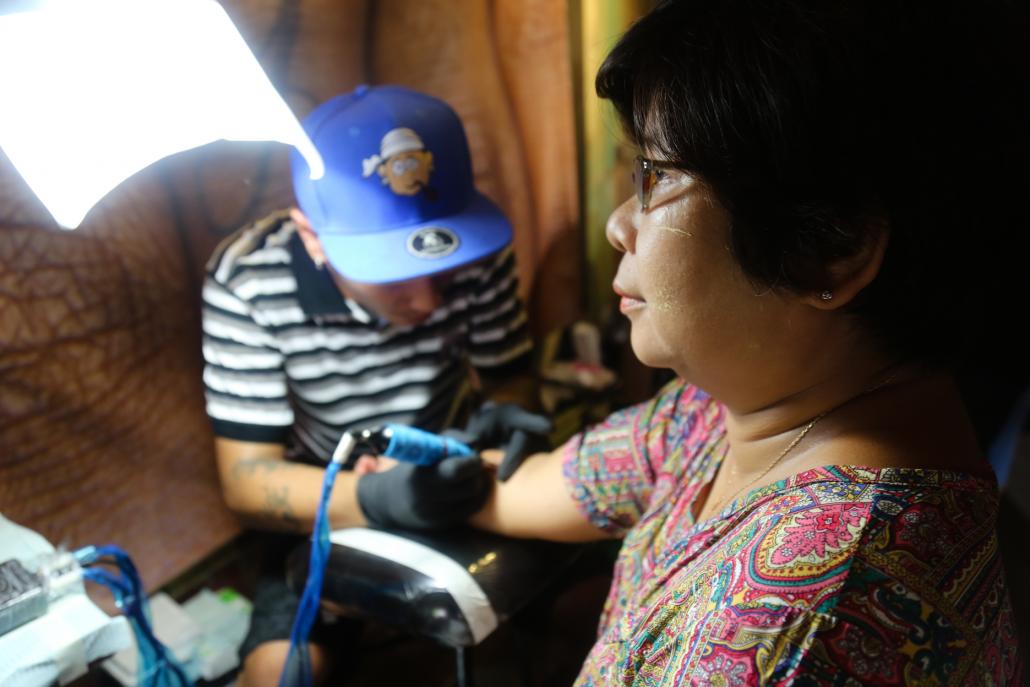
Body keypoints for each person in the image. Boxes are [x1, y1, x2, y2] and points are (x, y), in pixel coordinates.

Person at [463, 1, 1029, 683]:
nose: (619, 224)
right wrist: (366, 489)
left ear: (831, 247)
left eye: (655, 175)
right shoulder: (741, 405)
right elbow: (543, 485)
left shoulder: (786, 639)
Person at [201, 84, 534, 686]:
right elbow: (246, 482)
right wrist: (375, 500)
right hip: (322, 505)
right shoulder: (249, 282)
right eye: (393, 274)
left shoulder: (478, 246)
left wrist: (502, 420)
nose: (429, 301)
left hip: (455, 473)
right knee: (286, 675)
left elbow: (512, 384)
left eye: (441, 264)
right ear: (311, 237)